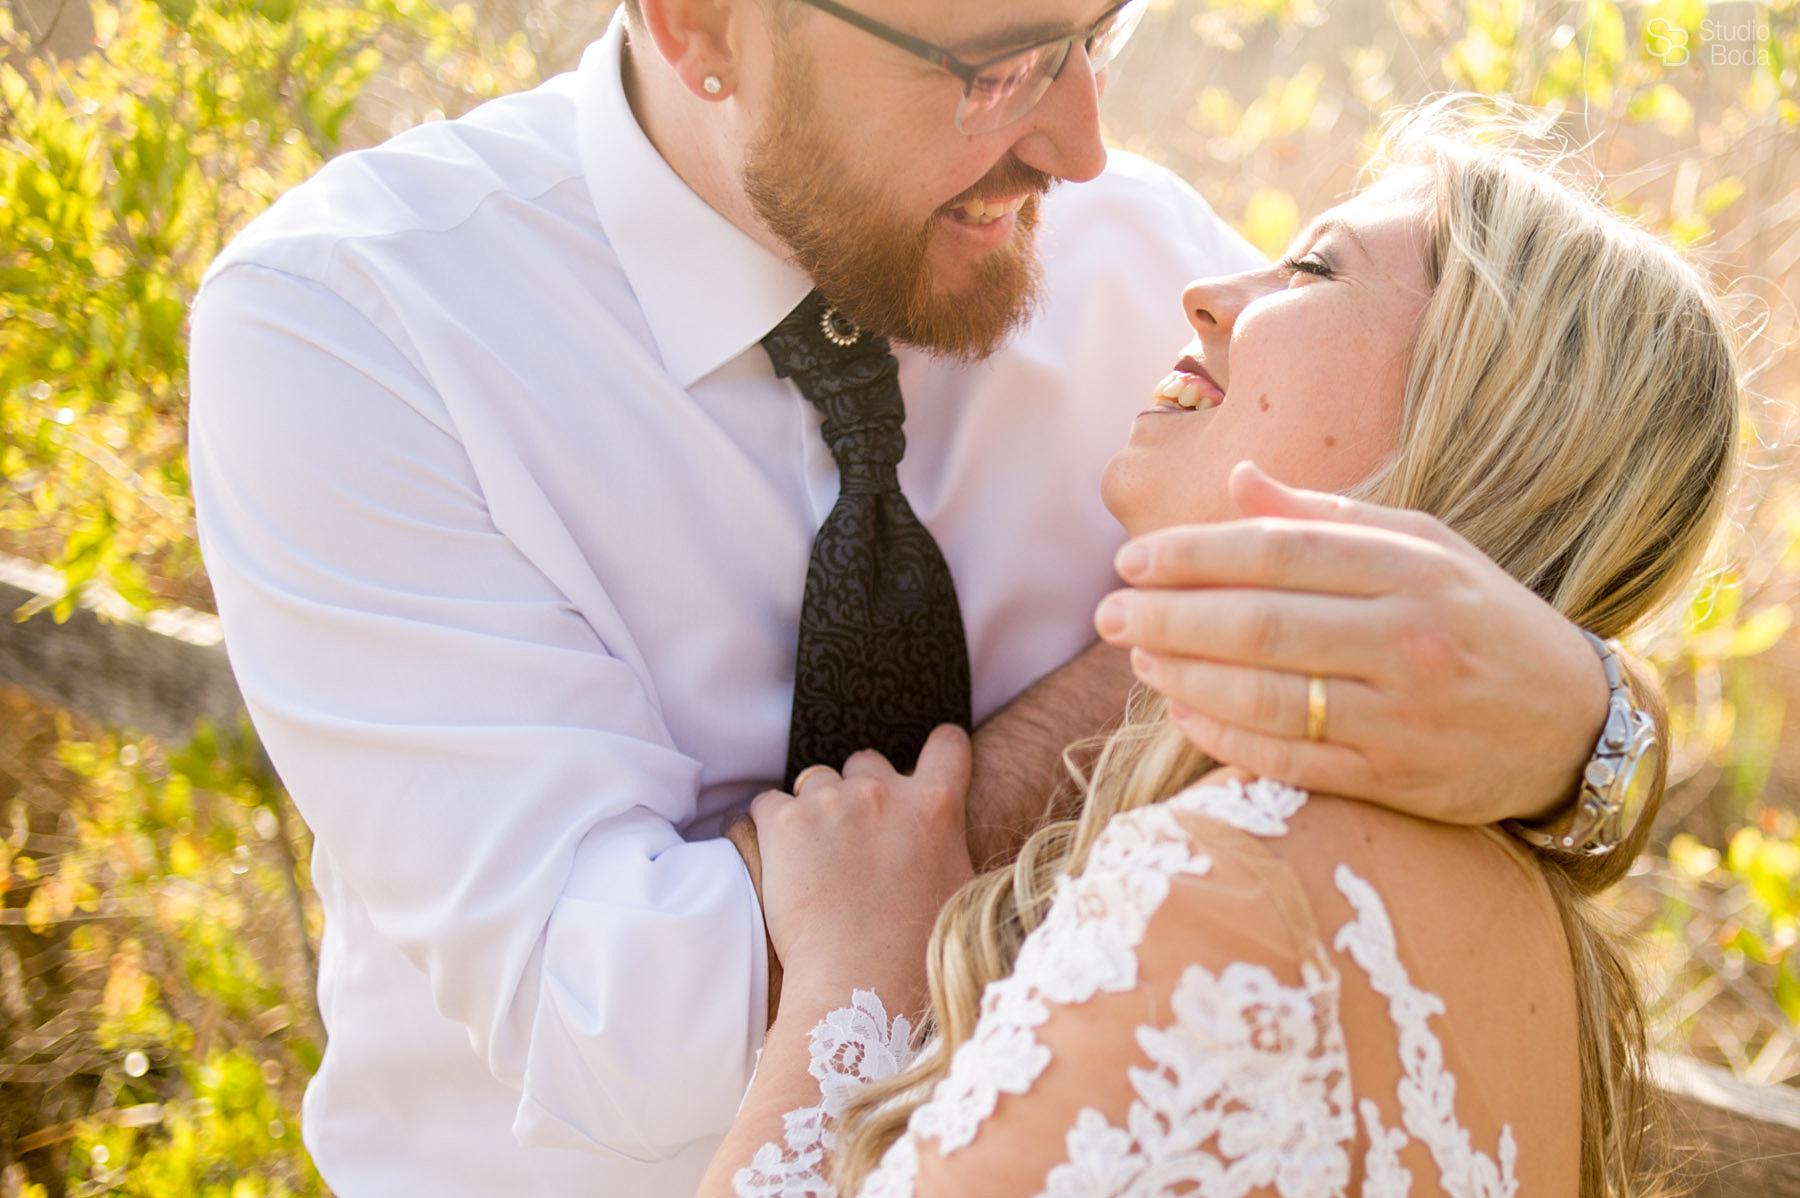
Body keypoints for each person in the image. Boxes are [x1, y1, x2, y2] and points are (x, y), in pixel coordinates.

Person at [184, 2, 1633, 1195]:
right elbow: (614, 1023)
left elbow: (1471, 535)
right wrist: (1193, 663)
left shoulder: (1148, 262)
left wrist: (1597, 729)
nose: (1082, 141)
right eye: (997, 67)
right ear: (702, 29)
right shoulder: (358, 326)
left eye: (1098, 34)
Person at [701, 95, 1742, 1198]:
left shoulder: (1224, 887)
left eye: (1312, 269)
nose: (1205, 294)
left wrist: (855, 980)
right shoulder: (1524, 921)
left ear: (1483, 420)